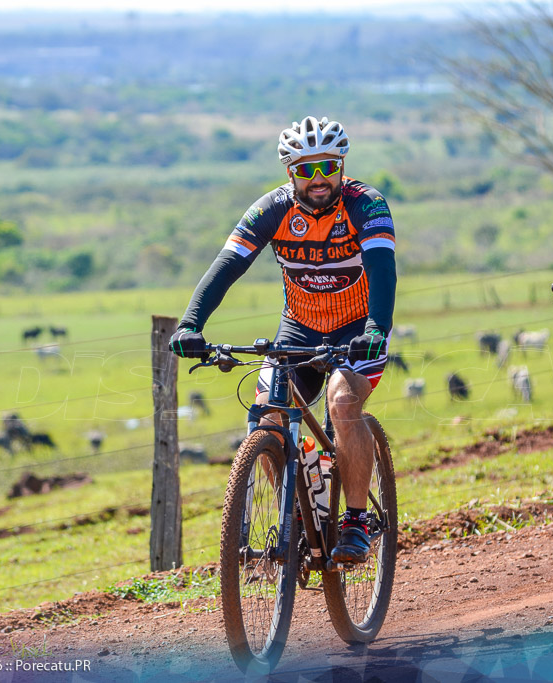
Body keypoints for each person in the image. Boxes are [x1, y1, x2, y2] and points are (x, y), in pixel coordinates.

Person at [169, 116, 397, 563]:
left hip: (358, 329)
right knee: (268, 414)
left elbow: (382, 269)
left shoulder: (365, 204)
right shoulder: (271, 209)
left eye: (327, 167)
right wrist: (190, 323)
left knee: (342, 401)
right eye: (306, 169)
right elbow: (227, 265)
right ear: (290, 171)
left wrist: (377, 328)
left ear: (341, 166)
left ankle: (353, 520)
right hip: (299, 330)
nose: (318, 179)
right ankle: (294, 513)